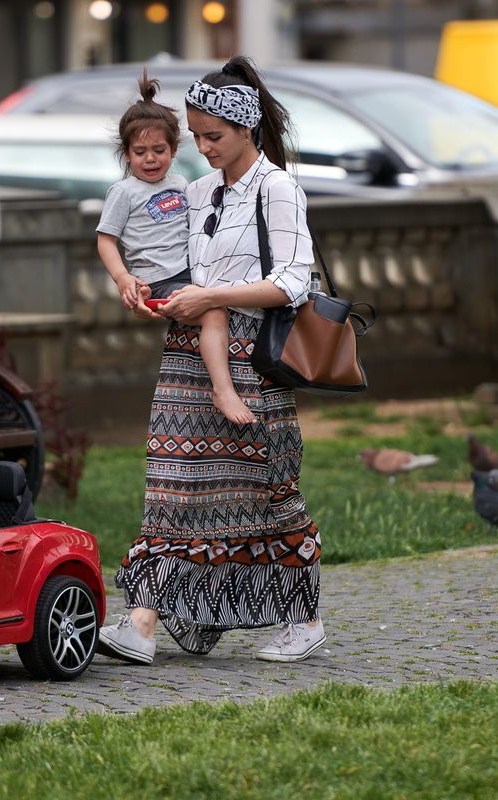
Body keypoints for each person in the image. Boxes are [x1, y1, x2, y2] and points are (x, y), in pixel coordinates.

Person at [97, 56, 324, 665]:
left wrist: (212, 296)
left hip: (254, 355)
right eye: (195, 136)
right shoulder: (196, 192)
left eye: (212, 136)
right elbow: (161, 257)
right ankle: (143, 622)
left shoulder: (278, 188)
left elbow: (293, 282)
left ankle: (302, 620)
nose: (201, 147)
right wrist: (150, 294)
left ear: (246, 129)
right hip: (188, 350)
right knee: (172, 489)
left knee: (265, 488)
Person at [96, 72, 255, 425]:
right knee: (214, 312)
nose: (150, 159)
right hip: (160, 280)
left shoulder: (183, 184)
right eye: (140, 152)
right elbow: (106, 239)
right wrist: (124, 279)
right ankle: (223, 390)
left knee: (219, 302)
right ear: (126, 153)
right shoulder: (123, 193)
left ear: (174, 149)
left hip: (191, 272)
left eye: (159, 150)